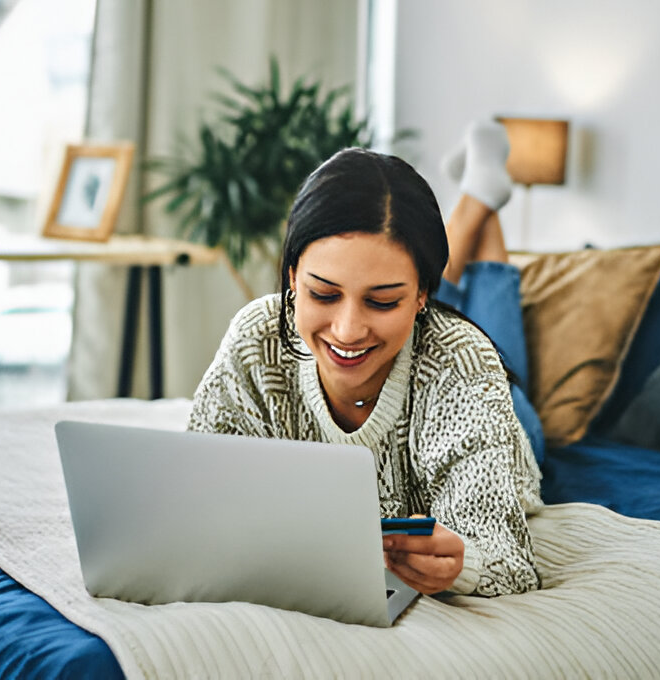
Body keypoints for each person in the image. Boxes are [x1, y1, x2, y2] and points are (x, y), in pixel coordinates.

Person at [188, 128, 542, 597]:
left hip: (504, 413)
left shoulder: (464, 362)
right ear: (292, 276)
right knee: (428, 327)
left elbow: (510, 560)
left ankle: (479, 199)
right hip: (416, 340)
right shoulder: (258, 335)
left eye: (381, 301)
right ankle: (481, 197)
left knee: (495, 348)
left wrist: (463, 564)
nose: (347, 330)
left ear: (420, 295)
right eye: (322, 294)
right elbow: (195, 494)